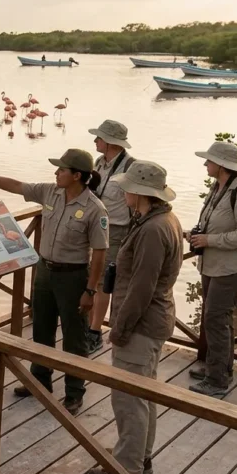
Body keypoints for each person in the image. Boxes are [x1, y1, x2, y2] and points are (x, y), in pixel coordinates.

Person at [0, 149, 108, 415]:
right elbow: (17, 186)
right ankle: (39, 381)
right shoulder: (49, 192)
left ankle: (75, 392)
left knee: (74, 338)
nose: (56, 173)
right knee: (41, 328)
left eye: (61, 170)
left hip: (74, 277)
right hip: (45, 271)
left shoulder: (95, 209)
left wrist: (90, 290)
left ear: (77, 175)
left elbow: (99, 253)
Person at [86, 161, 182, 474]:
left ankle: (127, 469)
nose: (122, 191)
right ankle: (140, 456)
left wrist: (120, 328)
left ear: (140, 193)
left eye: (126, 187)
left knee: (128, 398)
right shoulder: (159, 219)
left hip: (141, 325)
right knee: (144, 393)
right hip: (155, 319)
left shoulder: (154, 229)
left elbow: (142, 287)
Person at [188, 141, 237, 397]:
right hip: (213, 264)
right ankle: (218, 368)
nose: (205, 163)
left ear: (221, 164)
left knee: (216, 319)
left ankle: (217, 381)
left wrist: (210, 240)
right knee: (216, 318)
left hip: (231, 268)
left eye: (209, 160)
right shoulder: (218, 187)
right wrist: (197, 235)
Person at [85, 120, 136, 354]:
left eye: (99, 137)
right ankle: (86, 325)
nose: (95, 140)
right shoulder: (99, 163)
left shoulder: (130, 168)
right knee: (90, 279)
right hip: (95, 226)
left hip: (116, 231)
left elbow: (137, 205)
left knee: (104, 281)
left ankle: (95, 332)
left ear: (110, 142)